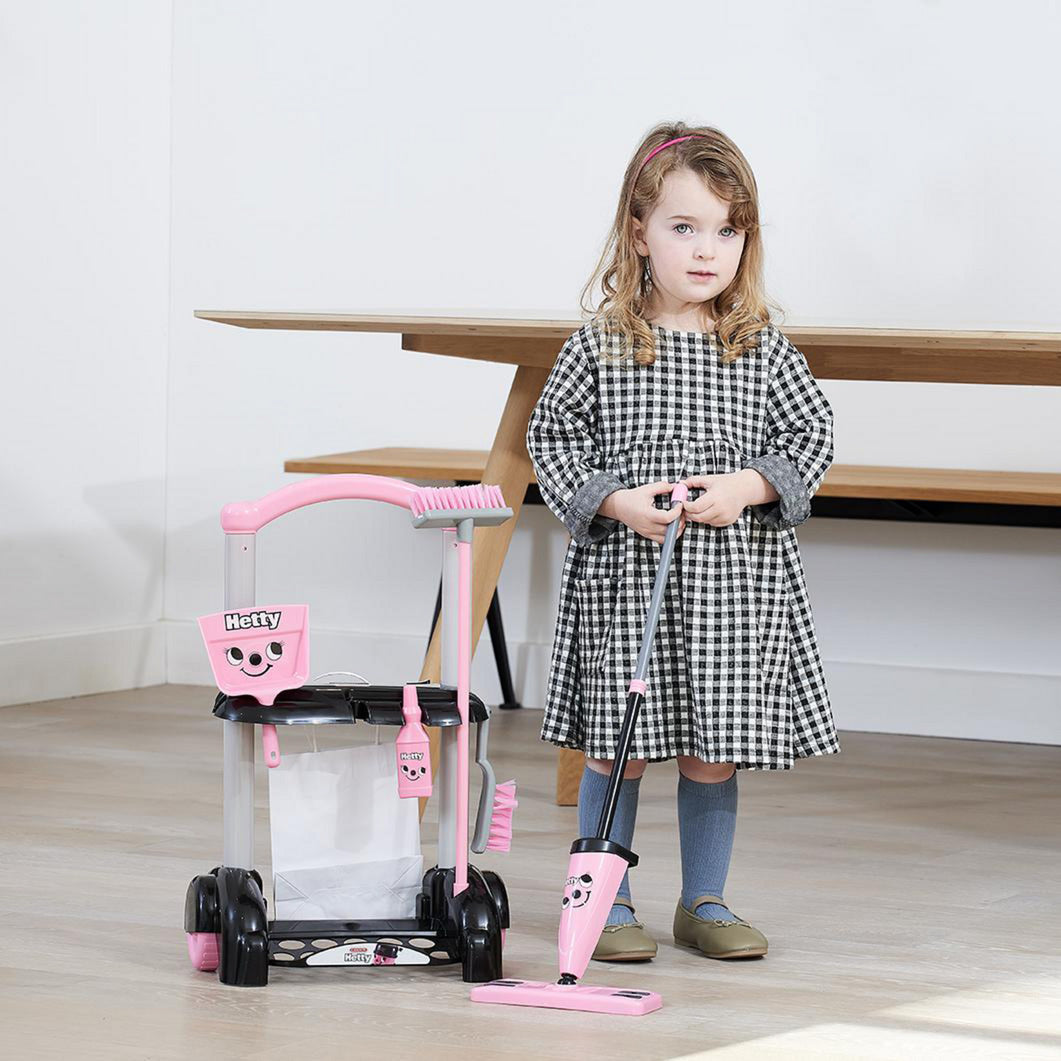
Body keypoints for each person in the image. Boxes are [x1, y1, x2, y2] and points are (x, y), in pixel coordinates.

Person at [525, 122, 839, 964]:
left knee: (710, 753)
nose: (707, 250)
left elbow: (809, 438)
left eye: (727, 231)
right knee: (617, 748)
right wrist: (617, 501)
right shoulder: (598, 347)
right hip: (628, 581)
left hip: (731, 591)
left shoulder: (761, 351)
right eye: (684, 227)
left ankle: (703, 898)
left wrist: (744, 487)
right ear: (638, 231)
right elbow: (550, 443)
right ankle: (607, 896)